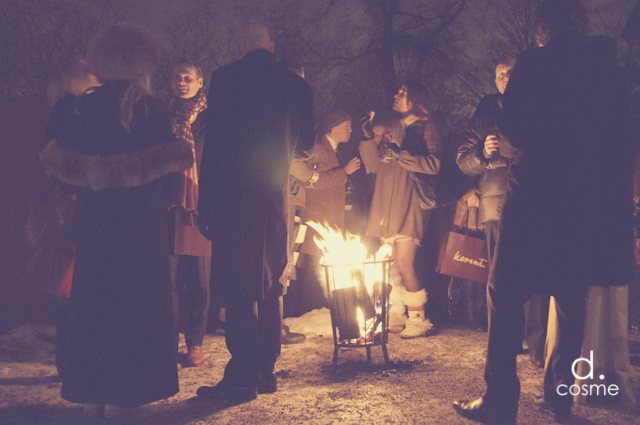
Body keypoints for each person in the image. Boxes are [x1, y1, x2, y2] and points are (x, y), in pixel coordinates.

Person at [453, 1, 636, 423]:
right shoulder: (605, 72)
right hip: (581, 204)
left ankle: (500, 399)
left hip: (534, 197)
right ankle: (559, 399)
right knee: (571, 300)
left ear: (542, 24)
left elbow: (513, 128)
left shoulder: (534, 63)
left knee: (504, 292)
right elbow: (622, 139)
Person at [40, 23, 191, 417]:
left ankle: (93, 395)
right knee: (136, 311)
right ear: (141, 64)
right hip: (141, 228)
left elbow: (58, 164)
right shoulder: (152, 110)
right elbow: (173, 173)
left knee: (95, 307)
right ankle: (130, 397)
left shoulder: (81, 107)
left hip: (96, 226)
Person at [196, 21, 315, 401]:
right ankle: (266, 370)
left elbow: (213, 146)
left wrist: (206, 202)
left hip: (232, 196)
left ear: (240, 45)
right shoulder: (296, 84)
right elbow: (306, 147)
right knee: (269, 282)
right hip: (274, 197)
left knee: (238, 285)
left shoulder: (226, 79)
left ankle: (242, 374)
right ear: (271, 45)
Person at [457, 58, 549, 361]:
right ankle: (504, 343)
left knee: (533, 272)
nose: (506, 77)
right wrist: (482, 152)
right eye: (500, 74)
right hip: (496, 202)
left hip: (531, 198)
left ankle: (537, 342)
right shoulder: (483, 117)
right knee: (499, 275)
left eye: (510, 73)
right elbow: (462, 161)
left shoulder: (537, 107)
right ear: (495, 81)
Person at [359, 82, 442, 338]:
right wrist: (366, 139)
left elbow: (435, 164)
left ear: (414, 99)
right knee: (394, 263)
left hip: (411, 201)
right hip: (388, 202)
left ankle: (418, 320)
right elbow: (373, 165)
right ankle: (396, 314)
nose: (396, 95)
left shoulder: (427, 127)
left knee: (405, 262)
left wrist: (403, 156)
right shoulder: (390, 128)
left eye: (402, 93)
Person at [291, 111, 360, 317]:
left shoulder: (331, 149)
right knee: (315, 265)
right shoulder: (319, 149)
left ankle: (314, 309)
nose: (351, 130)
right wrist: (345, 172)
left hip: (328, 218)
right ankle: (310, 311)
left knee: (319, 263)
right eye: (347, 125)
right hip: (318, 218)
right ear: (332, 127)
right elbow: (316, 181)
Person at [166, 60, 212, 367]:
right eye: (177, 78)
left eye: (188, 78)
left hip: (199, 208)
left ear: (199, 84)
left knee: (198, 280)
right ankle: (167, 342)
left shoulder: (211, 119)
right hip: (168, 206)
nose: (181, 82)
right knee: (166, 280)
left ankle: (195, 342)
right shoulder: (161, 117)